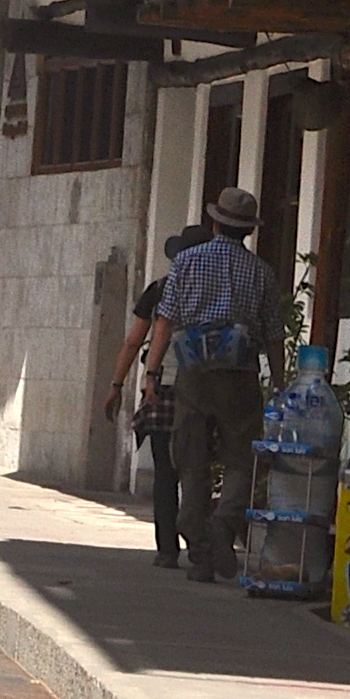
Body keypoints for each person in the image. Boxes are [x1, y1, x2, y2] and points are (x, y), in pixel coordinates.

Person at [142, 183, 284, 583]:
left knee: (191, 460)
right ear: (248, 230)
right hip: (240, 376)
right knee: (242, 458)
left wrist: (152, 373)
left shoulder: (185, 263)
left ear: (215, 222)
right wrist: (278, 379)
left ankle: (201, 547)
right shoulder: (261, 272)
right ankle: (224, 524)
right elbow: (274, 333)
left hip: (194, 374)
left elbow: (165, 322)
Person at [105, 231, 198, 566]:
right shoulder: (218, 288)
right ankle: (199, 544)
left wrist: (116, 384)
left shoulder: (161, 289)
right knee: (195, 469)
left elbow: (134, 342)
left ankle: (167, 549)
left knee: (165, 472)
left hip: (162, 389)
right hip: (202, 388)